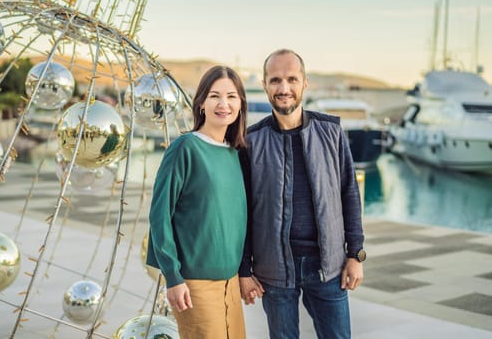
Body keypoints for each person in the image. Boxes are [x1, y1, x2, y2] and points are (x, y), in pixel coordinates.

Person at [238, 49, 365, 339]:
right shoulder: (251, 142)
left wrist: (355, 254)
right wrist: (244, 270)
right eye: (275, 80)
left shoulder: (331, 132)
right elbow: (243, 211)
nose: (284, 89)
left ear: (305, 83)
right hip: (275, 271)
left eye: (292, 79)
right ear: (265, 84)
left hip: (328, 267)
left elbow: (349, 193)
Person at [146, 65, 249, 339]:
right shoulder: (185, 148)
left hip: (231, 284)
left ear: (240, 104)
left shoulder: (235, 154)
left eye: (231, 97)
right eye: (215, 96)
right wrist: (173, 277)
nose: (223, 104)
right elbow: (159, 215)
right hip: (195, 286)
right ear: (202, 102)